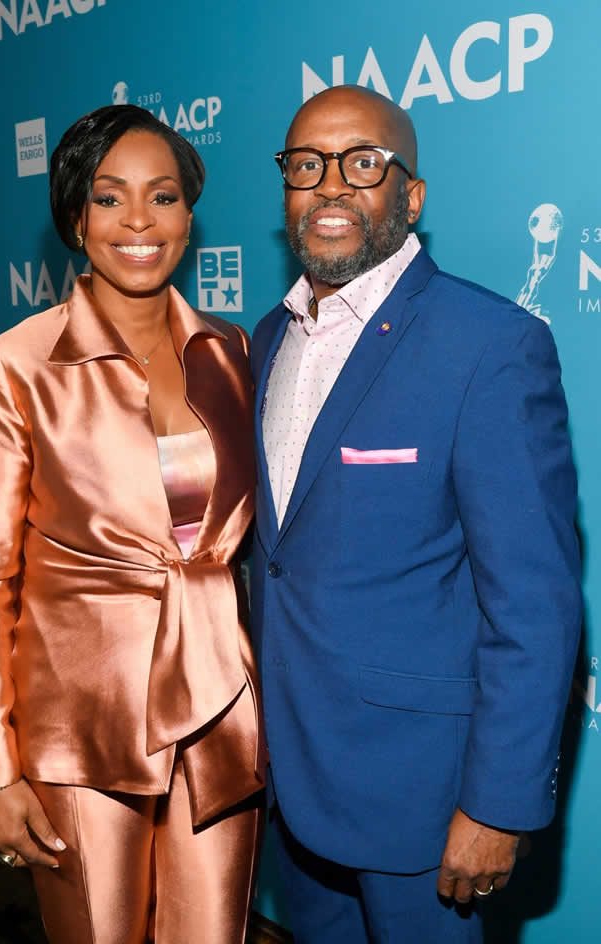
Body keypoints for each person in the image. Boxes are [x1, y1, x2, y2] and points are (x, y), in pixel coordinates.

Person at [250, 85, 581, 944]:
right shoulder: (264, 341)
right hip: (291, 782)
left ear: (412, 195)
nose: (330, 185)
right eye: (306, 165)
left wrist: (498, 804)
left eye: (363, 163)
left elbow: (534, 603)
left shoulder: (490, 344)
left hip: (423, 805)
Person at [0, 104, 265, 944]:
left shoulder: (232, 350)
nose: (139, 222)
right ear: (74, 216)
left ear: (190, 216)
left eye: (163, 197)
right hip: (81, 729)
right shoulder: (14, 367)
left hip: (218, 710)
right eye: (109, 197)